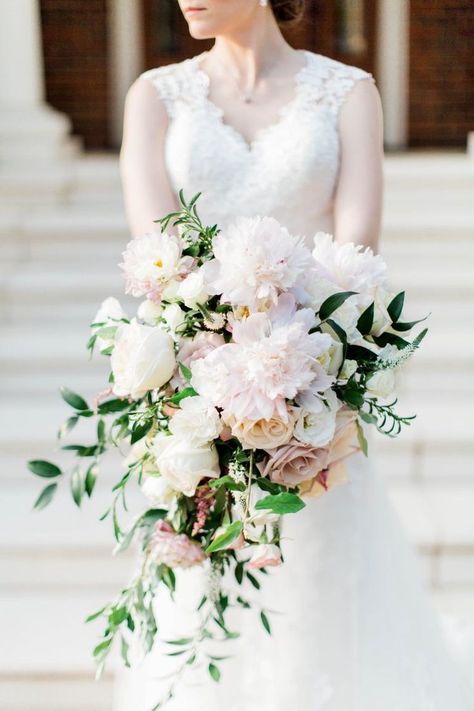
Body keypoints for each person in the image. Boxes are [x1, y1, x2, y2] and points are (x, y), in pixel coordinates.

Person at [117, 1, 473, 709]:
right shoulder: (156, 97)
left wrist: (299, 372)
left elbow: (356, 256)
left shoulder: (349, 92)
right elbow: (158, 261)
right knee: (215, 597)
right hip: (205, 394)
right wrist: (213, 383)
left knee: (325, 594)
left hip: (315, 390)